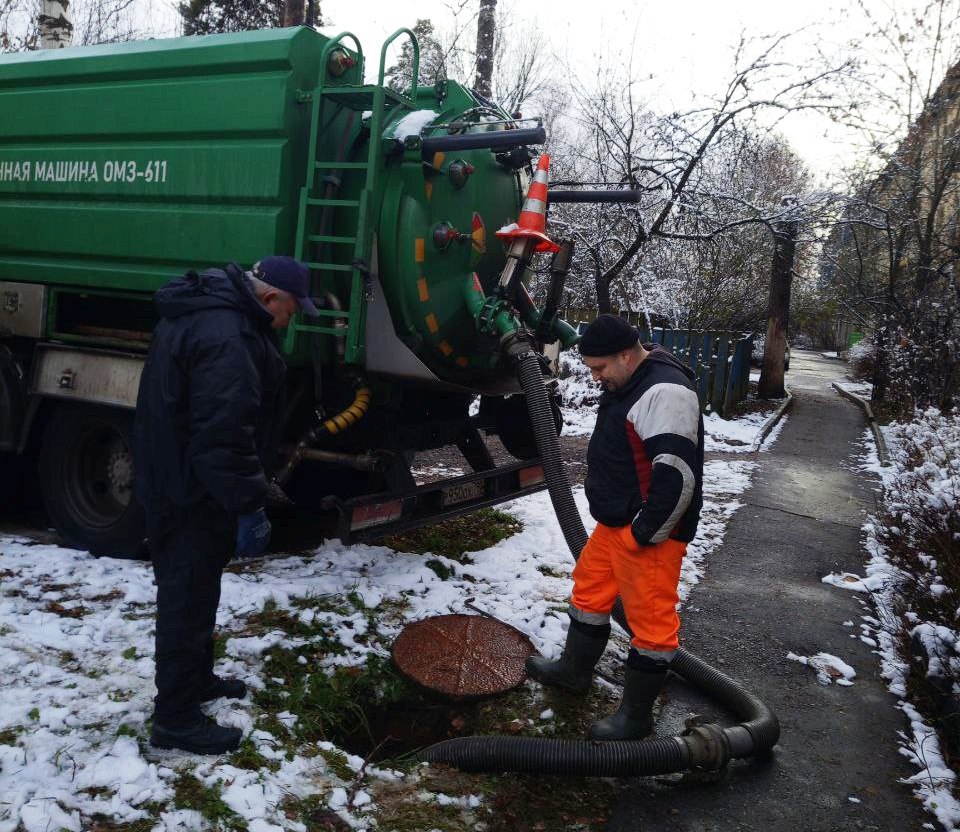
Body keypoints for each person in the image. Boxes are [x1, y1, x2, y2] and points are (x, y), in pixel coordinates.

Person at [134, 256, 319, 754]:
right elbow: (222, 436)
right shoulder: (228, 338)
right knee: (185, 597)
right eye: (291, 311)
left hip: (186, 480)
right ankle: (175, 721)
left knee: (197, 588)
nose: (291, 320)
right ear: (268, 298)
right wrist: (248, 504)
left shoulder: (219, 316)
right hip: (191, 490)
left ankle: (195, 682)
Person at [526, 314, 704, 740]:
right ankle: (574, 672)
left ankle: (635, 717)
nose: (595, 376)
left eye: (599, 368)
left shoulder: (665, 391)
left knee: (651, 625)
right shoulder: (632, 378)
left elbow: (677, 476)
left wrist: (643, 534)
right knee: (588, 594)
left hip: (649, 534)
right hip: (617, 524)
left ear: (626, 354)